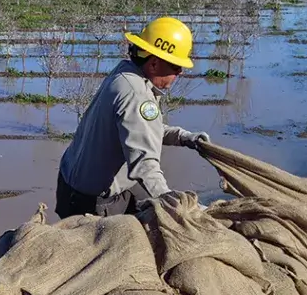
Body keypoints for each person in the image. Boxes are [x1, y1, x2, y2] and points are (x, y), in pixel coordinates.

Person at [57, 17, 211, 219]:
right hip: (92, 199)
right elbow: (145, 165)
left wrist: (183, 137)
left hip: (75, 182)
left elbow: (140, 129)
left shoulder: (126, 73)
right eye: (175, 67)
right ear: (154, 64)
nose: (180, 72)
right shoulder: (137, 95)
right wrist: (174, 206)